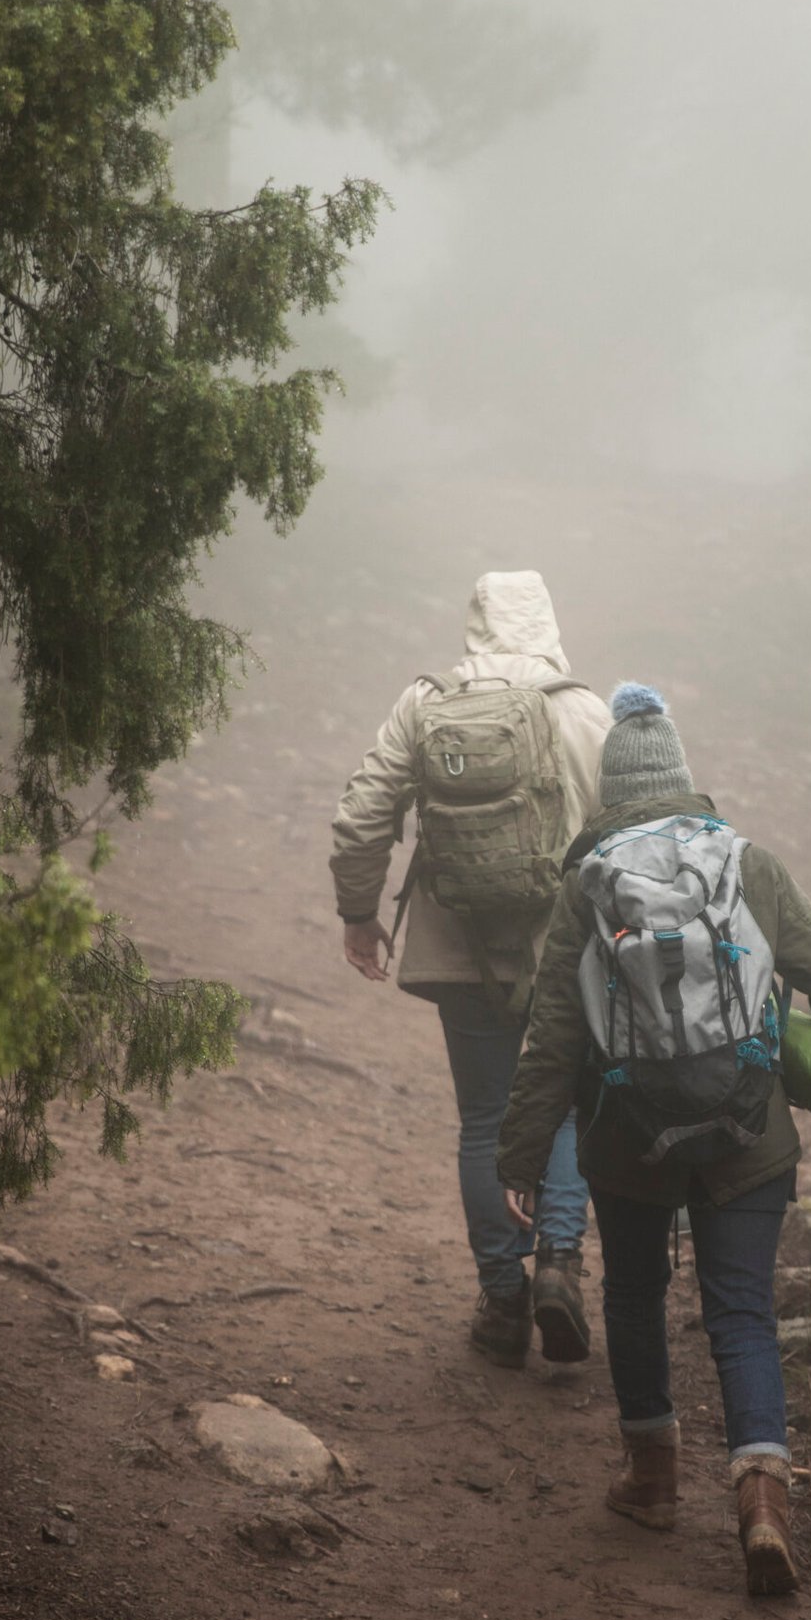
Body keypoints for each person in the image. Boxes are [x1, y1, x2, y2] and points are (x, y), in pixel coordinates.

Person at [496, 682, 811, 1596]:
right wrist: (807, 1045)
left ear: (608, 795)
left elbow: (551, 1036)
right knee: (741, 1309)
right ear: (684, 778)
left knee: (632, 1294)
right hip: (748, 1133)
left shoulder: (586, 885)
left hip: (629, 1142)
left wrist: (521, 1157)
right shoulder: (748, 864)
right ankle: (763, 1508)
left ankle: (653, 1481)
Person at [331, 571, 611, 1367]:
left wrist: (361, 913)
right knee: (562, 1109)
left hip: (461, 952)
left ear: (477, 623)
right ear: (548, 623)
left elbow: (361, 816)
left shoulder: (427, 703)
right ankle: (560, 1262)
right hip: (565, 954)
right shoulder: (585, 711)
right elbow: (630, 834)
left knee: (486, 1116)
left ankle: (500, 1299)